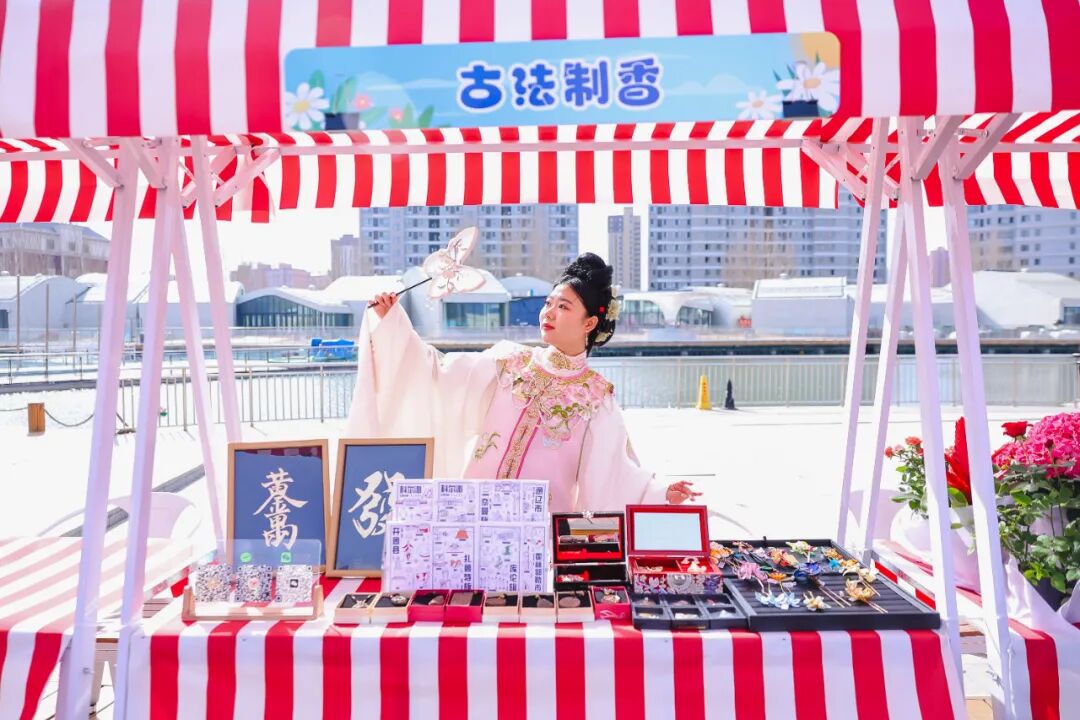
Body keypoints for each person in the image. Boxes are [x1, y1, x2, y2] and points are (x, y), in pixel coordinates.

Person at [346, 252, 700, 513]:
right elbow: (436, 375)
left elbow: (613, 472)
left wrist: (657, 493)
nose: (548, 312)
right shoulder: (509, 361)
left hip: (539, 535)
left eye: (564, 307)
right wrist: (393, 325)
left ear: (590, 323)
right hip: (472, 517)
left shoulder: (595, 397)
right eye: (549, 303)